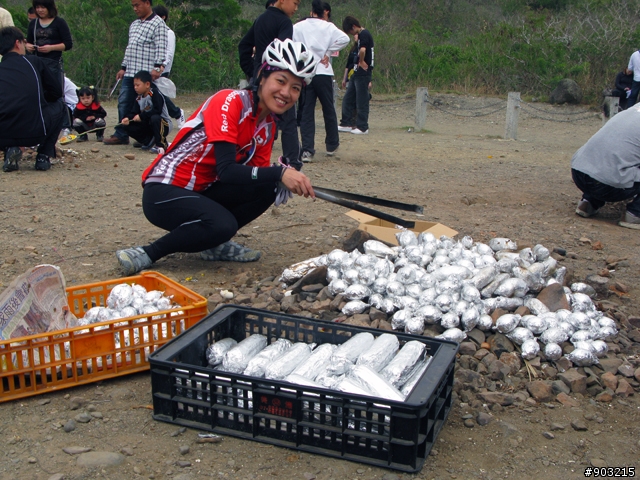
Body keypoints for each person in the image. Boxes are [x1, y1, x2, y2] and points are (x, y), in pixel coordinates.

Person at [115, 39, 318, 275]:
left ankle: (213, 244)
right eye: (281, 81)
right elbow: (227, 170)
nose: (286, 93)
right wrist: (281, 171)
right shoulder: (230, 101)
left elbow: (253, 175)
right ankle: (148, 253)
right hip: (164, 190)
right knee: (224, 223)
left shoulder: (268, 126)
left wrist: (281, 179)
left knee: (269, 186)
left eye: (296, 88)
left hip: (203, 191)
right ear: (263, 77)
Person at [238, 0, 304, 169]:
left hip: (259, 79)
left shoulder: (260, 19)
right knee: (288, 121)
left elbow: (244, 45)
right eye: (295, 3)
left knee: (257, 118)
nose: (296, 8)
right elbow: (283, 55)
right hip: (277, 78)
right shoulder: (284, 22)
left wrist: (253, 70)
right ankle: (292, 163)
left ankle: (251, 156)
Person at [0, 26, 64, 172]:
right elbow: (56, 92)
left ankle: (11, 148)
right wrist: (41, 98)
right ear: (18, 43)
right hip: (35, 132)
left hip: (2, 136)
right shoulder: (33, 62)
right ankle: (43, 155)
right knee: (61, 106)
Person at [104, 0, 167, 146]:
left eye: (137, 5)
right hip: (130, 71)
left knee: (148, 105)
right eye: (133, 5)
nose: (135, 8)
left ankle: (148, 136)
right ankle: (121, 134)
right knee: (124, 103)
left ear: (147, 3)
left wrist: (158, 68)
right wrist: (123, 67)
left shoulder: (158, 24)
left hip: (146, 73)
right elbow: (130, 47)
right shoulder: (134, 24)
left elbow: (161, 48)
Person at [293, 0, 349, 162]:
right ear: (324, 12)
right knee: (328, 108)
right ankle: (331, 144)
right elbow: (344, 39)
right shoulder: (328, 26)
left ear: (312, 11)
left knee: (306, 111)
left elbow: (289, 41)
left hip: (305, 72)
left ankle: (307, 150)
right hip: (323, 71)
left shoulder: (299, 26)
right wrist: (329, 51)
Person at [571, 104, 640, 230]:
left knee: (617, 158)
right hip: (607, 185)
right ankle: (635, 214)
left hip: (579, 171)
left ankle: (588, 202)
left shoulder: (633, 110)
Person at [26, 0, 73, 134]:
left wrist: (51, 47)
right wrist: (28, 46)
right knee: (38, 93)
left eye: (43, 7)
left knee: (57, 93)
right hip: (37, 61)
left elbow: (68, 44)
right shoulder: (33, 24)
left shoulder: (59, 23)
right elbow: (28, 42)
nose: (40, 10)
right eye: (38, 7)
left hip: (53, 62)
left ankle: (65, 125)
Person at [120, 70, 171, 154]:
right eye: (134, 85)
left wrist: (142, 116)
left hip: (162, 124)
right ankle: (148, 141)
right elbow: (134, 112)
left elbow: (157, 110)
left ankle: (161, 145)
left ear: (147, 84)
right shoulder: (138, 98)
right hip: (148, 124)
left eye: (138, 85)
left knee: (155, 118)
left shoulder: (153, 93)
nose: (135, 87)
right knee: (127, 125)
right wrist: (128, 118)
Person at [338, 16, 373, 135]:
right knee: (348, 98)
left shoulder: (364, 34)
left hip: (363, 74)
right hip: (356, 73)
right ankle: (346, 122)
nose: (351, 34)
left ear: (353, 27)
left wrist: (362, 61)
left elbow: (363, 51)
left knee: (361, 100)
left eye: (350, 31)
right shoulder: (361, 36)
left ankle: (362, 126)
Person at [152, 5, 185, 128]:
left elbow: (169, 52)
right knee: (153, 94)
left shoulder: (169, 33)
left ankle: (177, 113)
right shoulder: (153, 31)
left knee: (159, 94)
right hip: (150, 67)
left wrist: (162, 66)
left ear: (163, 17)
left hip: (162, 69)